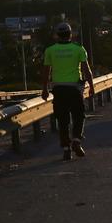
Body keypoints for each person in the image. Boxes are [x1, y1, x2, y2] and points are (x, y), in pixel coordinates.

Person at [41, 22, 95, 161]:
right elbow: (86, 69)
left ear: (57, 35)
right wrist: (91, 86)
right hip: (74, 89)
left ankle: (66, 149)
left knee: (63, 120)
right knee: (79, 116)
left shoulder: (50, 50)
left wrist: (45, 89)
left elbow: (46, 72)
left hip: (58, 89)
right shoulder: (78, 48)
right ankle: (76, 140)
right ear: (71, 34)